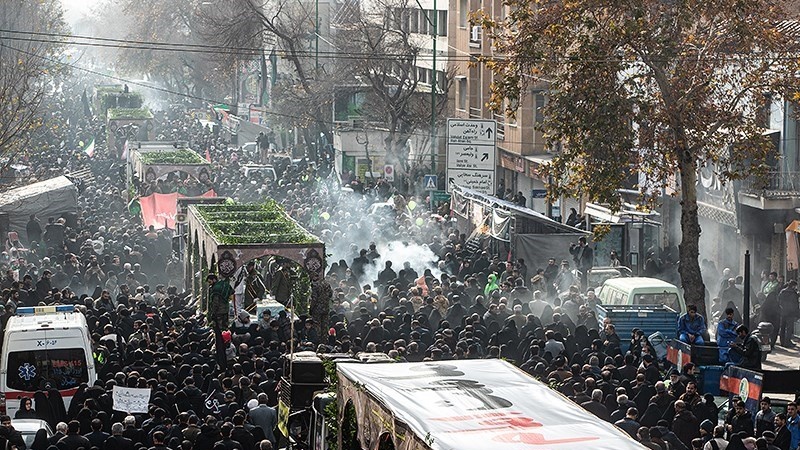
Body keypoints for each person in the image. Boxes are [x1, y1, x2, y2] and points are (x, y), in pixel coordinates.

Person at [778, 281, 799, 348]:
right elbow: (795, 304)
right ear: (793, 286)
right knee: (789, 328)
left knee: (783, 327)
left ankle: (782, 341)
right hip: (790, 313)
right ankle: (787, 342)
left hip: (783, 312)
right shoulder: (793, 293)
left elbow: (778, 301)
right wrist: (797, 313)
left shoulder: (782, 292)